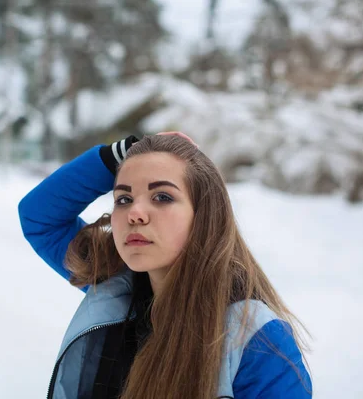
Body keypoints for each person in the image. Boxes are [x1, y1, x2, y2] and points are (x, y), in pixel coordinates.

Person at [18, 132, 312, 399]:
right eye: (124, 198)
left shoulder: (256, 338)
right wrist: (118, 155)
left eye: (162, 197)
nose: (135, 213)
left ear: (204, 216)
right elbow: (39, 216)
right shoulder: (114, 289)